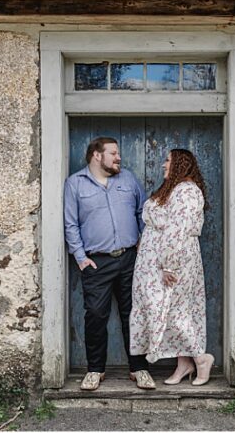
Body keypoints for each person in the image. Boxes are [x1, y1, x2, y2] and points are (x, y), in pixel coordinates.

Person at [63, 137, 154, 391]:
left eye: (118, 154)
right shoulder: (75, 184)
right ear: (96, 155)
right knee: (95, 316)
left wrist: (143, 245)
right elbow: (71, 224)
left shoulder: (128, 179)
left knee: (134, 315)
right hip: (97, 263)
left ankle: (139, 368)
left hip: (129, 260)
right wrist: (81, 258)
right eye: (113, 153)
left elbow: (143, 213)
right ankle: (95, 369)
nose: (119, 158)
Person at [130, 149, 215, 385]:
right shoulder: (173, 190)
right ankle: (184, 364)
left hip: (173, 262)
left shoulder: (187, 192)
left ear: (179, 164)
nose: (163, 165)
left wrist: (170, 265)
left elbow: (177, 231)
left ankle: (201, 358)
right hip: (157, 263)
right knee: (172, 309)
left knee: (173, 311)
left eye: (167, 160)